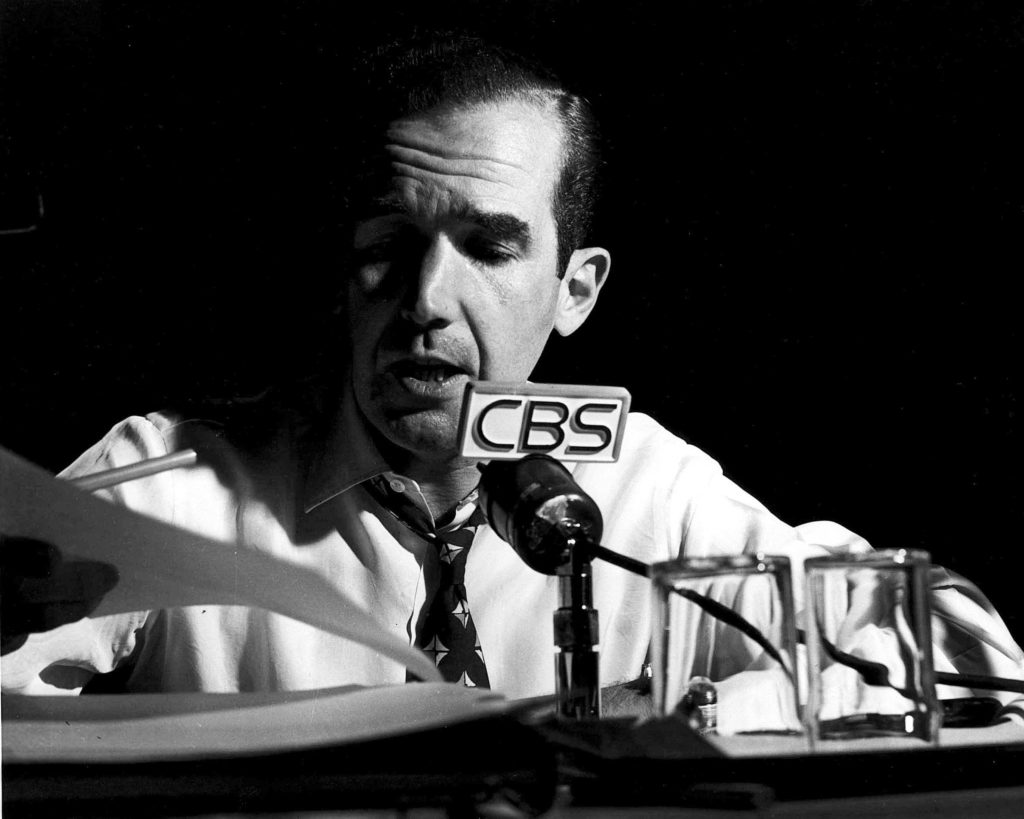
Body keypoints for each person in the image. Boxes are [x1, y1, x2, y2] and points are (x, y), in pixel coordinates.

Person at [2, 34, 1023, 727]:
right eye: (389, 246)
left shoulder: (649, 492)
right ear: (344, 272)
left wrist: (700, 712)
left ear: (575, 291)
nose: (426, 302)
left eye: (488, 248)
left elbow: (969, 659)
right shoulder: (173, 480)